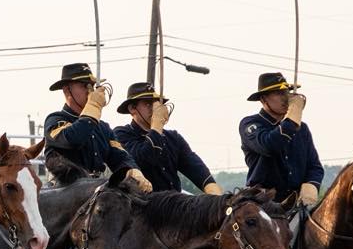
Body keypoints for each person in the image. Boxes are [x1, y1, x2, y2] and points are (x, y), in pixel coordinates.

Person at [42, 62, 151, 192]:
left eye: (92, 86)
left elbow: (120, 156)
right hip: (63, 192)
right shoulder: (55, 120)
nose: (91, 91)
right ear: (67, 90)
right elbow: (73, 138)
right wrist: (93, 107)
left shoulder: (103, 128)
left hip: (95, 192)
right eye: (84, 86)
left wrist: (131, 170)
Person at [113, 81, 222, 195]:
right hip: (141, 206)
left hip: (173, 205)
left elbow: (193, 165)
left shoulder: (173, 138)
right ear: (132, 108)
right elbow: (144, 159)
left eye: (157, 104)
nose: (155, 109)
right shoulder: (121, 134)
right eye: (148, 104)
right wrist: (156, 127)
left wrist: (211, 187)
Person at [239, 72, 322, 206]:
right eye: (278, 93)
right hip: (262, 203)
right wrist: (293, 119)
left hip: (296, 202)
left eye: (286, 92)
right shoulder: (250, 124)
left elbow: (315, 167)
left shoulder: (302, 128)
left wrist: (311, 185)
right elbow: (269, 145)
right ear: (263, 99)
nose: (286, 98)